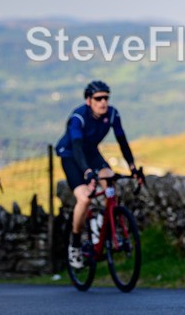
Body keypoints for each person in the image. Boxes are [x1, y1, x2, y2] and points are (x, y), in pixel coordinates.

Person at [56, 80, 144, 269]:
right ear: (89, 101)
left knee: (109, 179)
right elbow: (77, 148)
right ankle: (75, 244)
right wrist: (87, 172)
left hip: (91, 152)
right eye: (98, 98)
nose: (103, 102)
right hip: (71, 154)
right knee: (85, 198)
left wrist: (133, 168)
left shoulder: (112, 114)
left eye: (106, 98)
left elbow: (122, 141)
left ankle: (105, 222)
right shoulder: (78, 118)